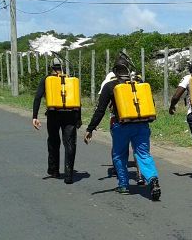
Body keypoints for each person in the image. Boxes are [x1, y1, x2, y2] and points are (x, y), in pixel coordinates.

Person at [84, 53, 161, 201]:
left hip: (121, 125)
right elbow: (151, 103)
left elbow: (100, 109)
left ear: (114, 70)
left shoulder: (110, 85)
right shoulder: (139, 82)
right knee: (143, 154)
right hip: (142, 124)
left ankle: (124, 185)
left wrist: (91, 128)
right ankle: (152, 178)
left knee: (119, 155)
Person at [31, 57, 80, 184]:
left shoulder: (47, 79)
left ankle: (54, 170)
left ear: (51, 68)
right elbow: (77, 101)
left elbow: (37, 98)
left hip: (53, 114)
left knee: (53, 141)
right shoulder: (70, 80)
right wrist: (78, 118)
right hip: (70, 115)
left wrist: (34, 116)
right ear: (62, 67)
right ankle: (69, 175)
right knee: (69, 144)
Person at [99, 70, 144, 186]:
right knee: (138, 149)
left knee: (119, 150)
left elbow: (102, 99)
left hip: (118, 120)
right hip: (138, 118)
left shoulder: (110, 77)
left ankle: (122, 178)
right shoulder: (135, 77)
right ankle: (140, 175)